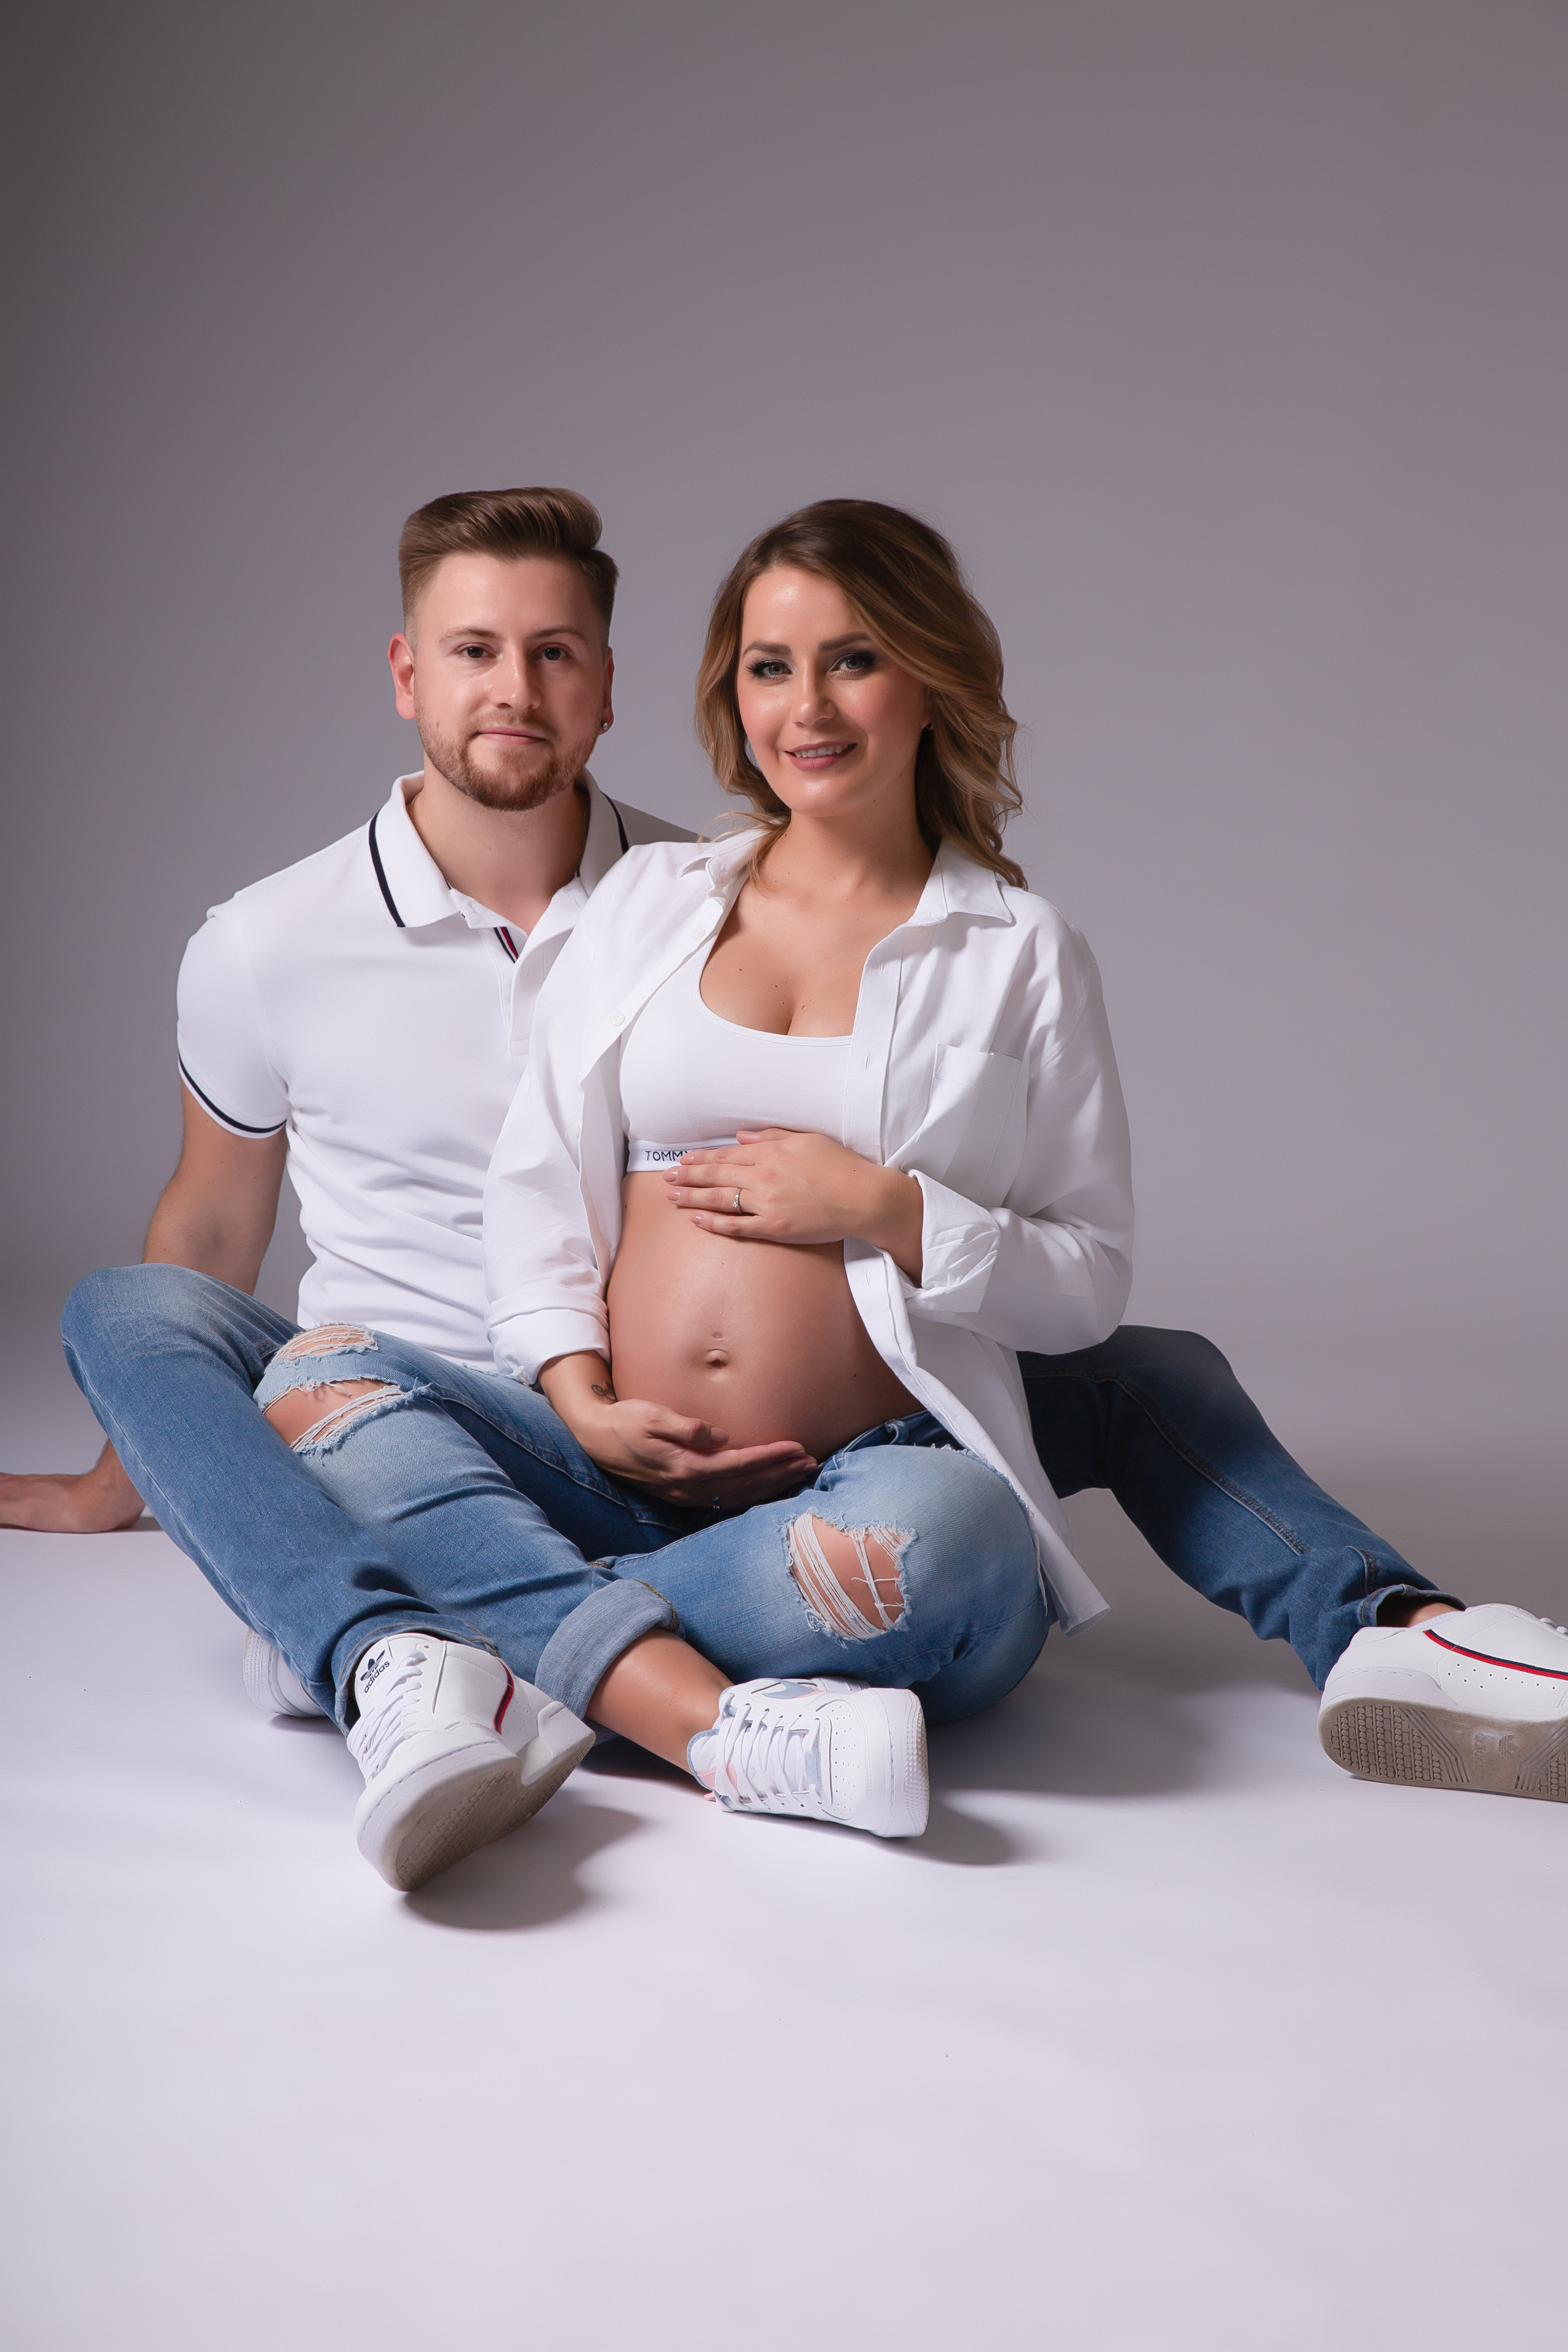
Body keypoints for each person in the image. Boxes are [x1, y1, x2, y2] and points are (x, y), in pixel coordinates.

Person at [9, 493, 1557, 1896]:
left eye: (850, 660)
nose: (802, 705)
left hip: (839, 1454)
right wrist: (566, 1385)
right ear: (405, 671)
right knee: (240, 1351)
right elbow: (484, 1186)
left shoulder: (978, 943)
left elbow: (1079, 1265)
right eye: (766, 667)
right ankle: (630, 1682)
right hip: (544, 1433)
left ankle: (444, 1619)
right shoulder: (599, 911)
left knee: (1034, 1467)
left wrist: (883, 1204)